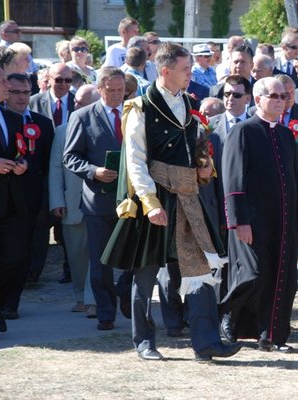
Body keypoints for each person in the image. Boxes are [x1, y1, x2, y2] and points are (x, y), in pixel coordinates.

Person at [104, 42, 241, 361]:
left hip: (188, 198)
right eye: (185, 69)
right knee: (146, 274)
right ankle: (144, 342)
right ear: (165, 71)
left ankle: (206, 341)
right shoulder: (140, 107)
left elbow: (195, 149)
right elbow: (135, 160)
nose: (190, 74)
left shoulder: (189, 104)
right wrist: (150, 203)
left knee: (201, 271)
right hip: (155, 199)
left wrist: (204, 167)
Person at [220, 76, 298, 351]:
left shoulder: (285, 134)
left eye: (284, 96)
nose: (281, 101)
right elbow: (233, 180)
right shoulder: (243, 131)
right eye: (274, 96)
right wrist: (239, 222)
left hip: (284, 222)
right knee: (254, 274)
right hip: (252, 222)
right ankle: (228, 317)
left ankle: (272, 335)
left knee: (282, 277)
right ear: (258, 99)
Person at [63, 67, 131, 331]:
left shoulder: (134, 114)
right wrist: (93, 171)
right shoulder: (82, 116)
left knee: (136, 256)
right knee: (101, 261)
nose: (116, 95)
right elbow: (70, 157)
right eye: (111, 90)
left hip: (132, 199)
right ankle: (105, 312)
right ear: (100, 89)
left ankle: (125, 288)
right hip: (99, 200)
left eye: (120, 90)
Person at [1, 73, 54, 319]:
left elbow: (47, 165)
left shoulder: (42, 124)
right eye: (15, 92)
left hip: (32, 199)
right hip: (3, 199)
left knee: (24, 253)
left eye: (26, 93)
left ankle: (12, 302)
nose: (22, 98)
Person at [49, 84, 100, 315]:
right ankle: (80, 295)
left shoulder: (105, 127)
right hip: (71, 204)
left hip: (99, 203)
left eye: (81, 102)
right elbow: (55, 169)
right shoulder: (62, 130)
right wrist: (56, 200)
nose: (75, 105)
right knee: (76, 255)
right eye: (75, 101)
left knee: (96, 255)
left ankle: (92, 299)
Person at [0, 63, 28, 339]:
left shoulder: (11, 116)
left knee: (13, 257)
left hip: (12, 202)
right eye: (2, 80)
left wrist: (21, 164)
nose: (8, 85)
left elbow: (20, 152)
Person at [30, 63, 75, 128]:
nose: (63, 84)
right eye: (58, 80)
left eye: (68, 80)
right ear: (49, 79)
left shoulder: (78, 102)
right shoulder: (34, 102)